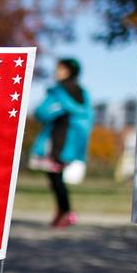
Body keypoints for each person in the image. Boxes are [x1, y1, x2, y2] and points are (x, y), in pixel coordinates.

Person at [30, 59, 93, 228]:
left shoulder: (59, 92)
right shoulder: (81, 93)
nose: (57, 72)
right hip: (67, 140)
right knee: (55, 177)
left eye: (61, 69)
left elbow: (41, 112)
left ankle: (66, 212)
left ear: (70, 71)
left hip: (60, 140)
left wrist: (55, 110)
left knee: (55, 177)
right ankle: (62, 211)